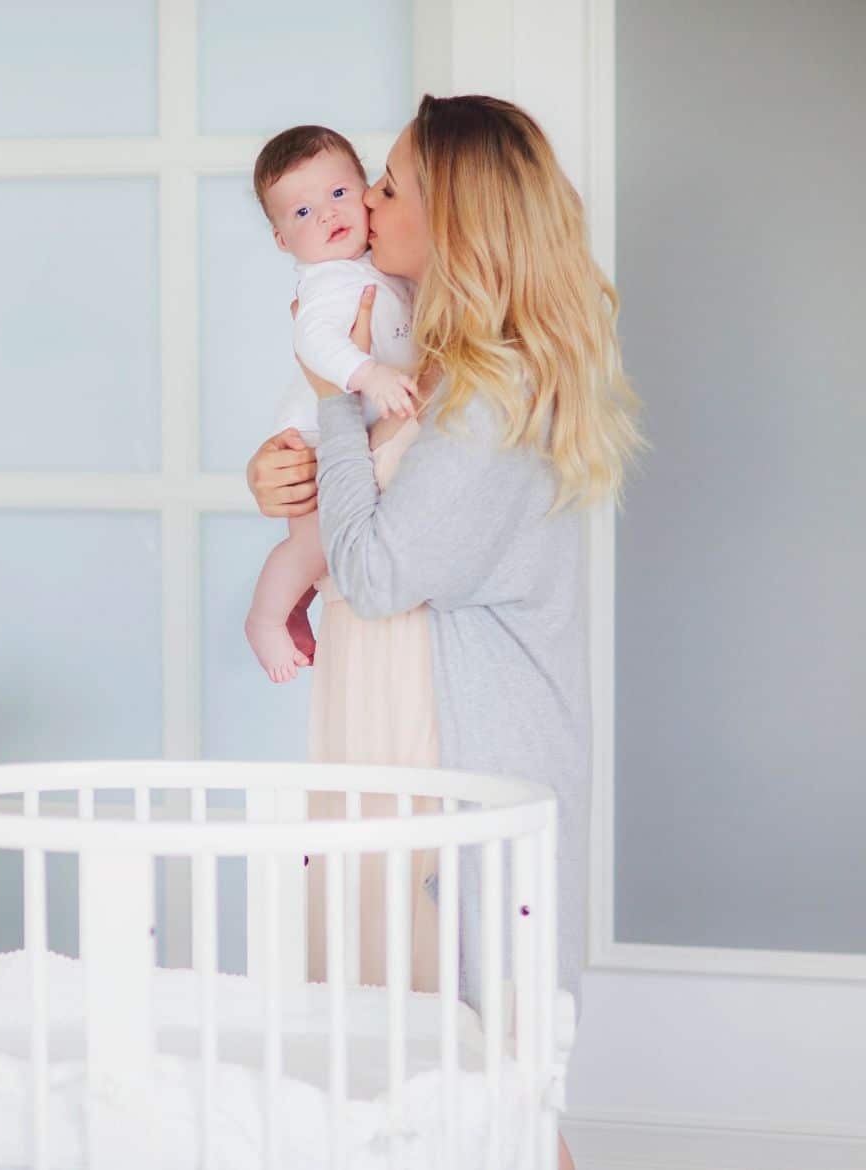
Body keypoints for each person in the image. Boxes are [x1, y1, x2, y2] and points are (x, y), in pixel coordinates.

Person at [247, 93, 644, 1170]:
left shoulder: (491, 393)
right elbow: (364, 516)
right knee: (400, 1081)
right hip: (396, 728)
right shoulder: (430, 359)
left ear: (454, 217)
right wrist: (282, 483)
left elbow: (377, 572)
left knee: (477, 1087)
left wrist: (332, 396)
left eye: (387, 185)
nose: (364, 205)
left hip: (456, 748)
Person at [244, 124, 419, 684]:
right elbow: (313, 343)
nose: (326, 215)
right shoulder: (326, 282)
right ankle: (267, 619)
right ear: (281, 241)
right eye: (301, 213)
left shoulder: (373, 268)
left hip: (357, 427)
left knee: (314, 548)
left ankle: (289, 603)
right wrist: (367, 373)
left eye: (340, 193)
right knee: (313, 541)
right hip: (318, 437)